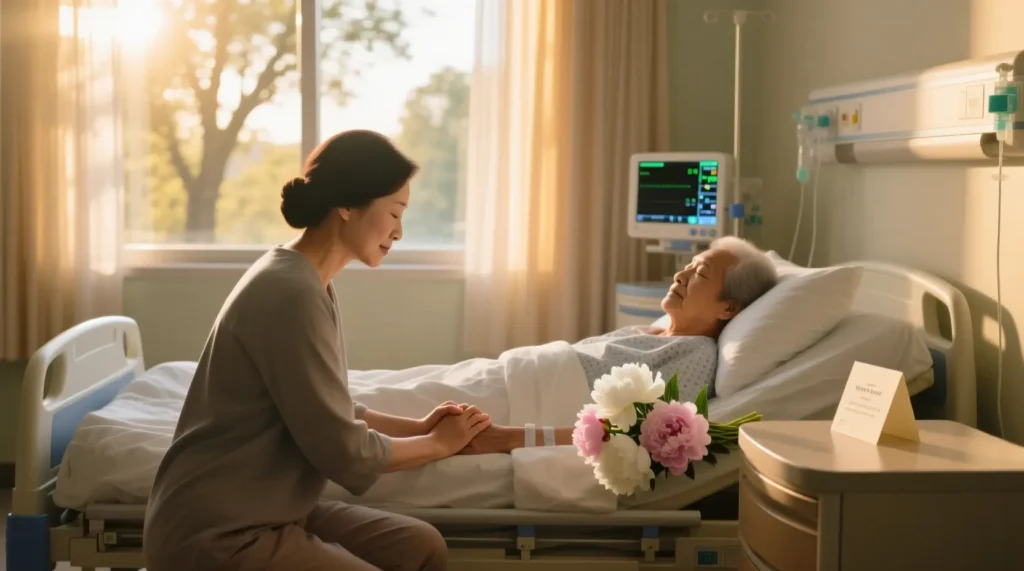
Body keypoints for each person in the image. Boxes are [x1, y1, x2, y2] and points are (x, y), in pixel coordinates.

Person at [143, 130, 491, 571]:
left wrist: (419, 427)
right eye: (394, 212)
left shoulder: (308, 281)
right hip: (221, 532)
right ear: (346, 204)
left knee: (422, 546)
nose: (399, 232)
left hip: (274, 509)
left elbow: (325, 408)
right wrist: (437, 444)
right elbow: (345, 452)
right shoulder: (291, 292)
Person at [457, 236, 778, 455]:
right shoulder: (651, 331)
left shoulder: (697, 355)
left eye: (700, 274)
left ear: (728, 308)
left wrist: (513, 438)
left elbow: (633, 432)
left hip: (519, 401)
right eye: (689, 265)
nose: (681, 275)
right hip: (508, 374)